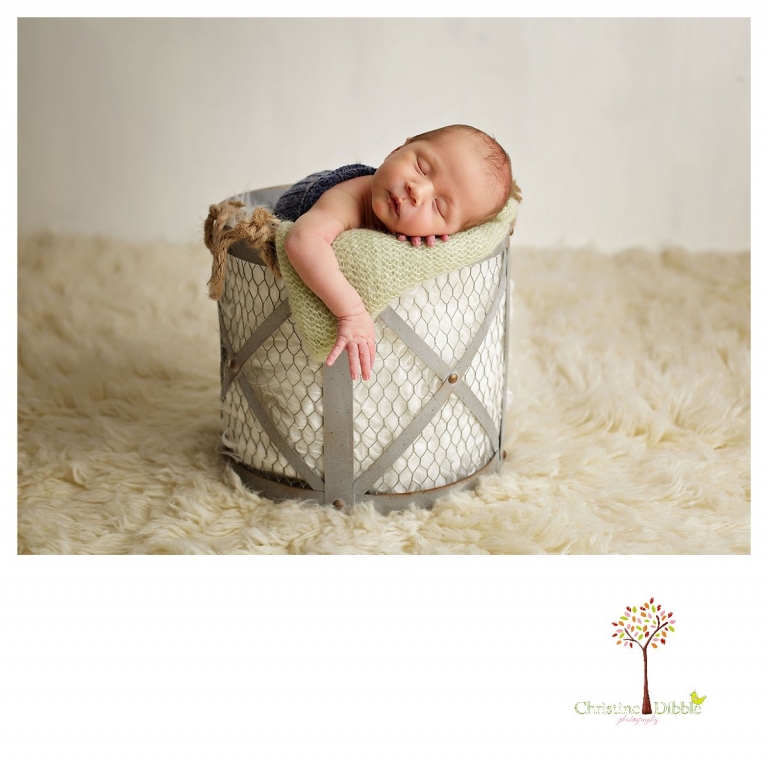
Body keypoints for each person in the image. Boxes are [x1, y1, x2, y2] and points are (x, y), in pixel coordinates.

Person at [275, 124, 522, 381]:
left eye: (438, 207)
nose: (418, 191)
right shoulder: (344, 199)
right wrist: (351, 311)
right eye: (422, 168)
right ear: (398, 149)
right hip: (300, 204)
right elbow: (302, 241)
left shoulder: (423, 228)